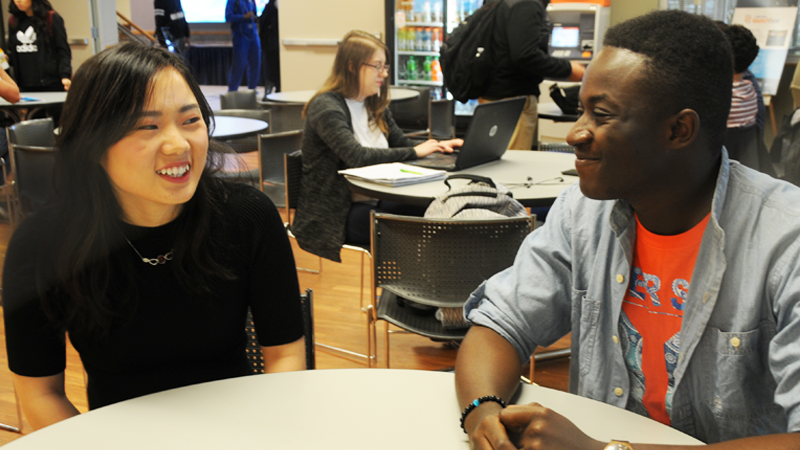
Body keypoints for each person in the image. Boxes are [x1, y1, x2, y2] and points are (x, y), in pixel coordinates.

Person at [455, 10, 800, 449]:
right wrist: (483, 412)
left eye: (601, 114)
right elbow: (501, 324)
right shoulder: (581, 214)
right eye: (581, 110)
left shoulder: (786, 240)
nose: (576, 134)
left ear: (679, 129)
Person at [3, 42, 305, 430]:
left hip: (239, 431)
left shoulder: (247, 216)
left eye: (190, 120)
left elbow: (285, 357)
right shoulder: (41, 245)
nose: (178, 145)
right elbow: (40, 393)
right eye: (147, 126)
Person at [291, 30, 462, 262]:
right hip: (336, 215)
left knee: (444, 207)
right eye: (377, 66)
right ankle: (413, 290)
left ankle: (422, 289)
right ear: (352, 67)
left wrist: (436, 147)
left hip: (378, 198)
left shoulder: (373, 103)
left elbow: (400, 143)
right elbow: (356, 156)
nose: (383, 74)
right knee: (431, 220)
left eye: (385, 67)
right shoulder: (326, 107)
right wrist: (414, 151)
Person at [479, 0, 583, 150]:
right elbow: (524, 55)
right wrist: (568, 69)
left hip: (491, 95)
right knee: (512, 164)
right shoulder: (527, 4)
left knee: (494, 159)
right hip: (513, 100)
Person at [6, 0, 71, 92]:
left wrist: (65, 75)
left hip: (51, 83)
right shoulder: (13, 20)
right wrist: (7, 58)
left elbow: (63, 51)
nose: (18, 1)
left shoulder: (51, 18)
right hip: (25, 84)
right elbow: (15, 53)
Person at [226, 0, 261, 92]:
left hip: (253, 34)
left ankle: (252, 89)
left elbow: (254, 14)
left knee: (255, 63)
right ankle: (232, 91)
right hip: (241, 36)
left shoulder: (252, 1)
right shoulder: (234, 1)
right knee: (239, 64)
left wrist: (256, 18)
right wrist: (243, 17)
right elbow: (228, 16)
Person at [258, 0, 280, 98]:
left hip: (275, 46)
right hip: (271, 46)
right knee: (272, 71)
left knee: (276, 72)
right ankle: (268, 94)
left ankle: (276, 93)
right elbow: (263, 28)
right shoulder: (270, 8)